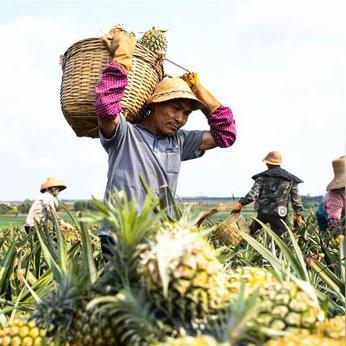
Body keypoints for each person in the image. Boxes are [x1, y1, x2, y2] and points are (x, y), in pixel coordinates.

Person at [95, 28, 237, 256]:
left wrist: (199, 89)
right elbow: (106, 105)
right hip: (120, 235)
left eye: (187, 113)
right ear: (155, 104)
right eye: (176, 108)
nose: (181, 119)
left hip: (160, 239)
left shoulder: (180, 141)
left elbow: (226, 134)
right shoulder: (124, 134)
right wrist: (122, 58)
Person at [231, 151, 304, 236]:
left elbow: (252, 195)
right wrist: (298, 214)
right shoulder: (290, 179)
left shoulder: (262, 177)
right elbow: (296, 200)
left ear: (268, 163)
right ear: (280, 163)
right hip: (279, 214)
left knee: (253, 236)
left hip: (263, 213)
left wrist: (240, 204)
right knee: (281, 240)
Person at [317, 155, 345, 232]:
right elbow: (333, 223)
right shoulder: (334, 196)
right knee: (330, 237)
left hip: (343, 214)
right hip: (326, 217)